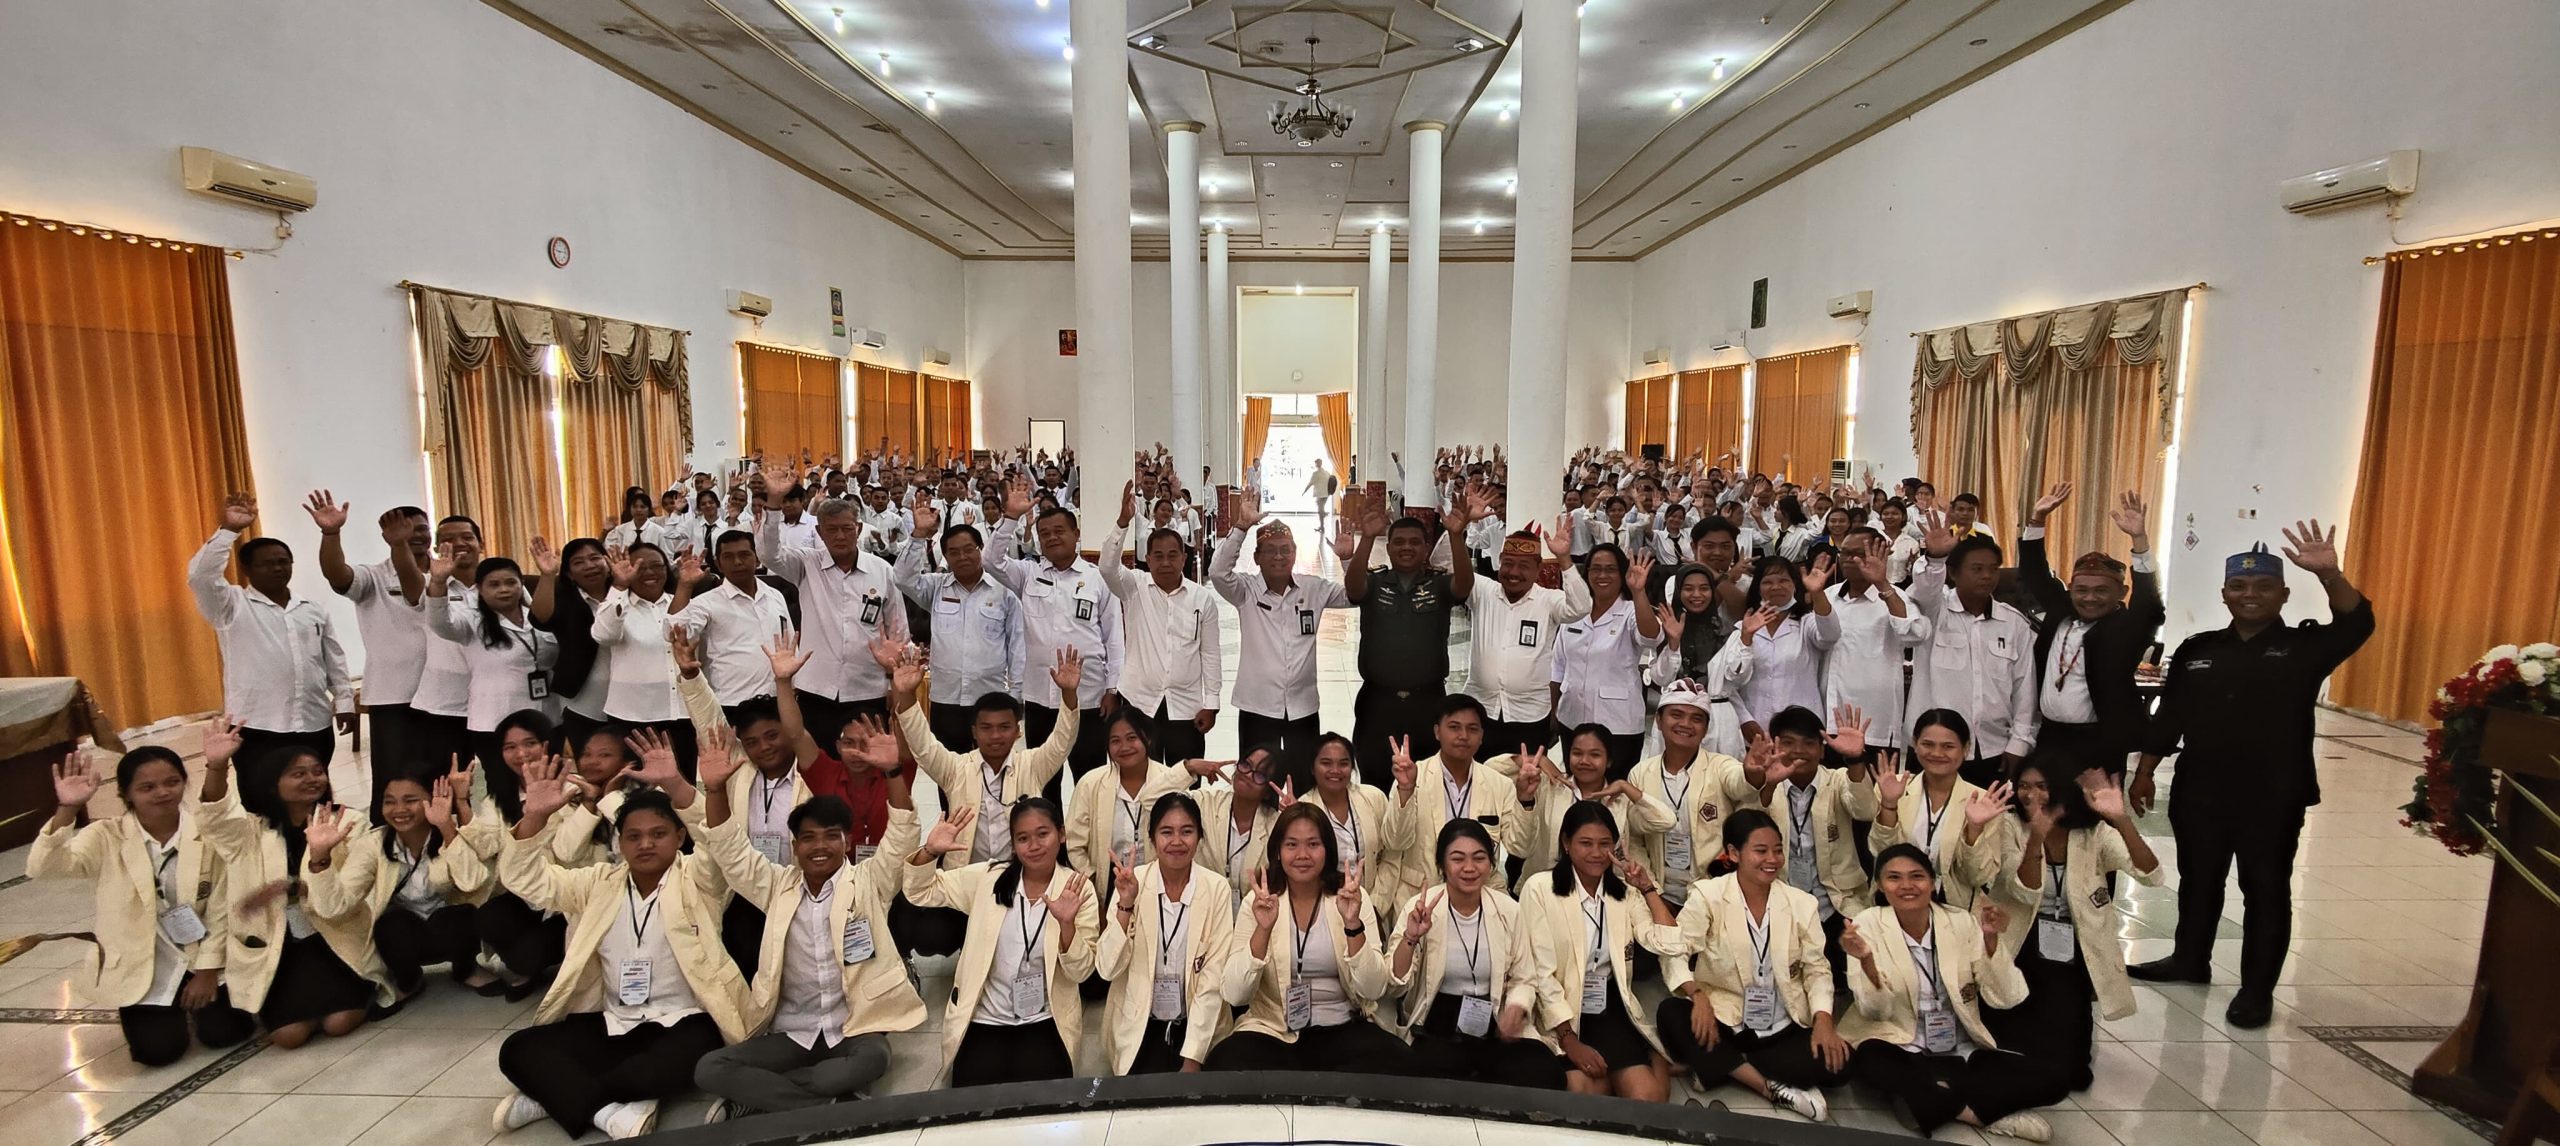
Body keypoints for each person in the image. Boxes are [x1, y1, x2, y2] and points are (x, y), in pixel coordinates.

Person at [2128, 523, 2373, 1029]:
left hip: (2273, 794)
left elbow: (2357, 624)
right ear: (2224, 594)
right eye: (2238, 586)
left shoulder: (2306, 648)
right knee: (2199, 880)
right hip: (2201, 788)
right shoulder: (2197, 649)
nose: (2250, 595)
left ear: (2283, 594)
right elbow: (2171, 715)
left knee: (2265, 889)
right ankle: (2189, 960)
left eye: (2263, 586)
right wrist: (2145, 771)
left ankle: (2256, 991)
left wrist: (2329, 574)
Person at [491, 751, 747, 1140]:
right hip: (614, 1020)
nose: (646, 844)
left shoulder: (701, 879)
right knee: (517, 1049)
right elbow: (524, 879)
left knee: (669, 1067)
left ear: (679, 837)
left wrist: (679, 786)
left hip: (682, 1021)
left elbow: (720, 846)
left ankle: (552, 1097)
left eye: (658, 834)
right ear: (620, 842)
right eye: (633, 836)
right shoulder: (596, 883)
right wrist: (535, 817)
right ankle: (609, 1112)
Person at [689, 716, 922, 1118]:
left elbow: (902, 834)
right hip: (792, 1031)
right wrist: (714, 789)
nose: (820, 847)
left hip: (852, 1028)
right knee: (710, 1068)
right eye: (809, 838)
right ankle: (831, 1105)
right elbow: (729, 849)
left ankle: (765, 1096)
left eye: (832, 836)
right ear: (794, 846)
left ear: (846, 841)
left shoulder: (869, 881)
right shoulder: (775, 887)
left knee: (874, 1059)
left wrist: (893, 771)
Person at [32, 748, 256, 1065]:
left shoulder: (206, 831)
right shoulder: (106, 835)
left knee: (226, 1034)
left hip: (203, 954)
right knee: (158, 1052)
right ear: (126, 794)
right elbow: (45, 867)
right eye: (147, 787)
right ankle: (166, 1005)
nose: (162, 793)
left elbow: (222, 907)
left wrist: (207, 971)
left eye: (172, 782)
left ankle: (201, 997)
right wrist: (67, 809)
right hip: (145, 963)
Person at [1838, 845, 2063, 1142]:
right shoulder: (1867, 923)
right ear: (1879, 885)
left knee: (2057, 1078)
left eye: (1917, 876)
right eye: (1894, 878)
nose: (1906, 885)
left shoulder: (1960, 921)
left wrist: (1992, 942)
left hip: (1957, 1047)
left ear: (1933, 882)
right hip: (1898, 1043)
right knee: (1872, 1063)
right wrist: (1866, 961)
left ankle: (1930, 1099)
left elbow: (2007, 997)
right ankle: (1972, 1112)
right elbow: (1875, 1011)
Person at [194, 722, 391, 1049]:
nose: (313, 779)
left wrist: (308, 872)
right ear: (273, 783)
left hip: (334, 937)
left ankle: (362, 988)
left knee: (339, 1023)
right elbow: (214, 816)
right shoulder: (251, 830)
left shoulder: (348, 822)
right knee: (289, 1036)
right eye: (298, 774)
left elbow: (342, 900)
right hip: (279, 945)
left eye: (317, 771)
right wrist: (216, 765)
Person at [1657, 810, 1852, 1123]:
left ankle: (1723, 1066)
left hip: (1780, 1021)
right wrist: (1697, 995)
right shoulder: (1709, 895)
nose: (1772, 859)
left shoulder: (1801, 903)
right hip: (1725, 1017)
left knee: (1840, 1064)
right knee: (1671, 1014)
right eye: (1761, 851)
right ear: (1734, 853)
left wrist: (1824, 1020)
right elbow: (1675, 951)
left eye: (1777, 850)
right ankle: (1767, 1087)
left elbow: (1817, 969)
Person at [1987, 756, 2162, 1090]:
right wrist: (2036, 837)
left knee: (2075, 1071)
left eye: (2041, 786)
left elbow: (2150, 874)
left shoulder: (2093, 833)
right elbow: (2024, 890)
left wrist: (2120, 819)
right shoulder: (2009, 825)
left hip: (2076, 942)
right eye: (2024, 786)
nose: (2031, 795)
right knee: (2020, 1047)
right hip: (2022, 939)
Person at [903, 799, 1099, 1087]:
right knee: (975, 1098)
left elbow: (1080, 973)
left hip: (1044, 1018)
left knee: (1044, 1100)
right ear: (1014, 844)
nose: (1034, 846)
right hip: (985, 1018)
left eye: (1042, 834)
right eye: (1023, 838)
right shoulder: (989, 878)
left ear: (1061, 834)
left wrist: (1067, 925)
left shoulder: (1078, 889)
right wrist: (930, 851)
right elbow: (921, 892)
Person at [1204, 804, 1412, 1073]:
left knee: (1400, 1062)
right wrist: (1263, 930)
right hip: (1273, 1028)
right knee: (1225, 1062)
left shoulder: (1351, 896)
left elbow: (1373, 990)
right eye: (1291, 845)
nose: (1302, 855)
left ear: (1328, 850)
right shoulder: (1258, 901)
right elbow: (1235, 994)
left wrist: (1352, 925)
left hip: (1342, 1026)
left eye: (1313, 844)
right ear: (1277, 851)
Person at [1516, 801, 1680, 1100]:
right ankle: (1632, 1064)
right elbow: (1540, 972)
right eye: (1585, 843)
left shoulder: (1624, 893)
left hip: (1608, 1004)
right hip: (1562, 1007)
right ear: (1566, 843)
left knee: (1647, 1098)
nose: (1596, 853)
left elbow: (1668, 943)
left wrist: (1647, 888)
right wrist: (1569, 1040)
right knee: (1583, 1094)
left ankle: (1652, 1055)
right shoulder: (1539, 888)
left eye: (1604, 844)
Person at [1384, 819, 1562, 1088]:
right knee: (1434, 1079)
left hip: (1494, 1020)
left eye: (1479, 858)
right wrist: (1411, 937)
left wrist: (1516, 1007)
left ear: (1491, 863)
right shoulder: (1420, 907)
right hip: (1436, 1022)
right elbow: (1395, 984)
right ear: (1442, 865)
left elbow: (1524, 978)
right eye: (1458, 859)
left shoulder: (1508, 910)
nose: (1469, 867)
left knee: (1545, 1072)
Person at [188, 494, 356, 776]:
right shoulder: (230, 605)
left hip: (314, 722)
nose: (278, 568)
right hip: (256, 726)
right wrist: (229, 530)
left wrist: (344, 700)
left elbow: (334, 661)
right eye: (267, 563)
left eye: (283, 561)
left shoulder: (312, 609)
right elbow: (200, 577)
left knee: (315, 792)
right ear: (246, 569)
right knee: (260, 795)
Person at [887, 640, 1085, 870]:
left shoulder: (1032, 765)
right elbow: (923, 746)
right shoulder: (956, 769)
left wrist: (1069, 693)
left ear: (1017, 731)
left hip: (1020, 876)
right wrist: (907, 695)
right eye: (986, 728)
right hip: (964, 876)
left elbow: (1062, 741)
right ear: (974, 732)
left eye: (1004, 727)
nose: (995, 735)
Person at [986, 477, 1124, 799]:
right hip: (1040, 699)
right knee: (1043, 782)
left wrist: (1112, 689)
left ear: (1076, 534)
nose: (1052, 537)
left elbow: (1114, 638)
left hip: (1088, 698)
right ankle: (1051, 833)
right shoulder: (1028, 574)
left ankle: (1088, 832)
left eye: (1059, 531)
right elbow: (991, 561)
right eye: (1044, 533)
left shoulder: (1097, 579)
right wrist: (1010, 518)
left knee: (1089, 781)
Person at [305, 771, 495, 1003]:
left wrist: (446, 827)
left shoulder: (454, 830)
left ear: (434, 799)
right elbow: (335, 906)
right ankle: (409, 980)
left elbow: (473, 881)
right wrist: (320, 858)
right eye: (389, 801)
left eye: (410, 800)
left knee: (458, 916)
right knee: (391, 924)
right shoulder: (373, 844)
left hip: (454, 929)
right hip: (407, 935)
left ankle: (466, 969)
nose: (399, 809)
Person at [2016, 484, 2163, 779]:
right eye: (2081, 590)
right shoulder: (2062, 611)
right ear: (2071, 589)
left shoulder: (2126, 628)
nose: (2090, 598)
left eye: (2101, 591)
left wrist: (2140, 542)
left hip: (2100, 742)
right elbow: (2035, 575)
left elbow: (2149, 607)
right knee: (2045, 804)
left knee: (2097, 808)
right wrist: (2037, 520)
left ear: (2122, 592)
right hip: (2049, 737)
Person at [753, 476, 909, 751]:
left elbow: (898, 632)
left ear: (858, 529)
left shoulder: (881, 570)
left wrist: (892, 683)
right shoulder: (806, 564)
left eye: (847, 529)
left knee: (869, 761)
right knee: (818, 765)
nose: (840, 536)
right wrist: (774, 503)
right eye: (832, 529)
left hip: (868, 688)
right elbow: (769, 554)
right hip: (817, 689)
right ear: (820, 532)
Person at [1207, 503, 1350, 791]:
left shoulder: (1313, 589)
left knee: (1304, 784)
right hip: (1257, 707)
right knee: (1258, 784)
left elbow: (1355, 595)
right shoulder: (1245, 591)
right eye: (1270, 550)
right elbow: (1218, 572)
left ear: (1295, 554)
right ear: (1257, 557)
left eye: (1286, 549)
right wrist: (1240, 528)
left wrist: (1348, 559)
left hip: (1303, 707)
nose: (1279, 556)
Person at [1096, 792, 1236, 1074]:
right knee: (1144, 1094)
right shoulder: (1132, 883)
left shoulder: (1216, 888)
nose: (1176, 841)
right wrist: (1125, 904)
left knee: (1200, 1095)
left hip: (1198, 1022)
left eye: (1187, 831)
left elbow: (1212, 980)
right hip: (1140, 1020)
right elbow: (1107, 969)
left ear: (1199, 836)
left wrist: (1193, 1057)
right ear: (1152, 838)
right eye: (1166, 832)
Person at [1344, 506, 1475, 788]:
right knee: (1374, 781)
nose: (1407, 548)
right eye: (1399, 542)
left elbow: (1464, 585)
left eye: (1415, 542)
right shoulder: (1375, 582)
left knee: (1427, 783)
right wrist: (1367, 538)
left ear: (1426, 548)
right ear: (1388, 548)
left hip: (1427, 702)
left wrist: (1456, 536)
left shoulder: (1438, 585)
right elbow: (1353, 587)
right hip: (1377, 702)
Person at [1752, 706, 1882, 984]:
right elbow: (1748, 829)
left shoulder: (1838, 780)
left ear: (1822, 751)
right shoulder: (1763, 781)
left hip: (1836, 902)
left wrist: (1855, 759)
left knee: (1855, 973)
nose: (1799, 751)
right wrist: (1769, 786)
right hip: (1781, 898)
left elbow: (1865, 810)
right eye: (1788, 743)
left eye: (1809, 743)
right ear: (1774, 745)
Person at [425, 550, 559, 813]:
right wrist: (438, 582)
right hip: (494, 722)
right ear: (480, 589)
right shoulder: (472, 621)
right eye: (494, 584)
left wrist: (547, 575)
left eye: (510, 582)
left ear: (521, 585)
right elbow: (440, 623)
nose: (504, 590)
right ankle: (510, 832)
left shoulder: (539, 615)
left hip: (544, 717)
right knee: (505, 788)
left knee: (547, 782)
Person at [1100, 481, 1223, 765]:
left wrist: (1212, 703)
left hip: (1187, 707)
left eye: (1172, 555)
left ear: (1184, 558)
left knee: (1185, 777)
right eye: (1158, 556)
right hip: (1140, 703)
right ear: (1148, 559)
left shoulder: (1202, 599)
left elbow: (1210, 654)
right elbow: (1106, 567)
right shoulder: (1134, 587)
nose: (1165, 562)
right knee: (1140, 777)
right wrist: (1122, 523)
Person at [313, 497, 428, 799]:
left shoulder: (449, 574)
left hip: (446, 695)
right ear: (388, 536)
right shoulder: (374, 576)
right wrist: (331, 534)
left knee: (444, 776)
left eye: (421, 528)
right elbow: (337, 574)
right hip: (393, 696)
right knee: (394, 779)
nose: (414, 535)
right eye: (405, 529)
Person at [1907, 525, 2040, 785]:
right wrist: (1935, 558)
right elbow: (1924, 592)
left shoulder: (2013, 623)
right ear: (1954, 573)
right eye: (1977, 569)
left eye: (1993, 569)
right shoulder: (1933, 611)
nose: (1987, 576)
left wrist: (2020, 742)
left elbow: (2024, 687)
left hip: (1993, 748)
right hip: (1934, 747)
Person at [890, 510, 1026, 754]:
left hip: (990, 698)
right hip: (946, 699)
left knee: (993, 767)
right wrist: (919, 535)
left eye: (968, 549)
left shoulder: (1004, 592)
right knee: (949, 769)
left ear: (980, 549)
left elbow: (1017, 646)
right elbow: (902, 578)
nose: (962, 557)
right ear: (945, 556)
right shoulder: (935, 587)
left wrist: (1015, 696)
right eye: (953, 552)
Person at [1379, 697, 1531, 912]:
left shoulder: (1500, 784)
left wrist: (1525, 799)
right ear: (1437, 732)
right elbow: (1395, 842)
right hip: (1422, 893)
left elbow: (1520, 847)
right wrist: (1406, 789)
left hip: (1481, 892)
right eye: (1454, 727)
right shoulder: (1413, 776)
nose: (1463, 736)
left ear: (1481, 736)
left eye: (1472, 729)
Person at [1458, 517, 1587, 761]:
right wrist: (1457, 533)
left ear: (1538, 569)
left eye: (1524, 566)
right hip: (1481, 712)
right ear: (1498, 562)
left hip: (1529, 716)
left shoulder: (1548, 600)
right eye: (1508, 564)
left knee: (1526, 780)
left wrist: (1564, 559)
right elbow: (1449, 568)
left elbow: (1581, 607)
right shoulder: (1483, 591)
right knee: (1481, 779)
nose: (1514, 573)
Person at [1625, 680, 1761, 910]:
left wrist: (1752, 774)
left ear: (1706, 729)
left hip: (1713, 893)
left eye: (1696, 719)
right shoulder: (1640, 773)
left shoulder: (1720, 766)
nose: (1686, 724)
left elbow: (1740, 784)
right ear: (1658, 720)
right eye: (1676, 715)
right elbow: (1635, 839)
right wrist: (1652, 889)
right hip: (1658, 892)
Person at [1869, 709, 2017, 911]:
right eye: (1928, 744)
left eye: (1948, 746)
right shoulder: (1891, 787)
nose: (1937, 753)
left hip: (1953, 909)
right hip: (1894, 903)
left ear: (1965, 749)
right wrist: (1889, 804)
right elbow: (1880, 853)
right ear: (1915, 744)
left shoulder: (1985, 802)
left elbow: (1978, 877)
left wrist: (1974, 829)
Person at [1549, 545, 1661, 777]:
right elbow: (1558, 667)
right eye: (1596, 569)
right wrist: (1553, 713)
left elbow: (1651, 636)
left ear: (1622, 574)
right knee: (1576, 785)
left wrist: (1639, 592)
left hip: (1618, 724)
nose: (1602, 575)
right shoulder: (1575, 611)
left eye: (1610, 569)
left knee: (1615, 788)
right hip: (1572, 718)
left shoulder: (1631, 610)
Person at [592, 544, 701, 774]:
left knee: (685, 783)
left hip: (684, 714)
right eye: (640, 567)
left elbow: (681, 636)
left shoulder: (684, 602)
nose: (650, 572)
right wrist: (619, 586)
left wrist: (685, 586)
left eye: (657, 566)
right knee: (637, 786)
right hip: (633, 717)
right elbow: (604, 635)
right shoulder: (617, 605)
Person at [1811, 530, 1927, 750]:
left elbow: (1913, 634)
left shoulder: (1896, 597)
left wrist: (1882, 585)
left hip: (1875, 722)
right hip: (1830, 717)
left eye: (1857, 554)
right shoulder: (1828, 595)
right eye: (1844, 553)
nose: (1848, 559)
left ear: (1880, 555)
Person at [1065, 708, 1195, 902]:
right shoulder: (1090, 784)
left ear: (1147, 738)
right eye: (1115, 741)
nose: (1124, 747)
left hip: (1158, 879)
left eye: (1132, 738)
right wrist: (1093, 888)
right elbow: (1074, 843)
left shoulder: (1169, 779)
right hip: (1108, 880)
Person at [1511, 726, 1675, 878]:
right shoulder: (1550, 785)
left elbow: (1666, 821)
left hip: (1604, 888)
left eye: (1595, 755)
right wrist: (1537, 760)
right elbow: (1496, 768)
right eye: (1577, 753)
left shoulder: (1622, 801)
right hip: (1547, 884)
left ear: (1609, 761)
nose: (1584, 761)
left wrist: (1624, 786)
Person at [673, 531, 794, 723]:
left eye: (744, 555)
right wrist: (685, 585)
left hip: (777, 699)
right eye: (728, 557)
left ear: (757, 559)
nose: (737, 562)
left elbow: (790, 644)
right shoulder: (707, 602)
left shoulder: (775, 596)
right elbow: (674, 632)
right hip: (730, 703)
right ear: (718, 563)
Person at [1720, 555, 1826, 748]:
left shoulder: (1808, 623)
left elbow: (1830, 635)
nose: (1776, 587)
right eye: (1768, 582)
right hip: (1755, 729)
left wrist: (1817, 593)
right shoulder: (1742, 629)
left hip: (1802, 729)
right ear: (1758, 588)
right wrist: (1745, 719)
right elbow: (1729, 682)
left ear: (1795, 585)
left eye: (1784, 580)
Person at [529, 536, 619, 749]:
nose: (589, 565)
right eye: (579, 562)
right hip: (582, 700)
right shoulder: (564, 599)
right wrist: (547, 575)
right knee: (590, 760)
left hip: (629, 696)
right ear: (569, 573)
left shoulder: (624, 594)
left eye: (595, 558)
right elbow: (540, 617)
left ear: (607, 561)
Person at [1304, 734, 1393, 881]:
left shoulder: (1374, 797)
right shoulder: (1304, 808)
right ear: (1312, 768)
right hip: (1327, 892)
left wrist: (1378, 898)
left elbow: (1392, 850)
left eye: (1343, 763)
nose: (1335, 770)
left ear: (1352, 767)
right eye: (1326, 763)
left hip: (1374, 891)